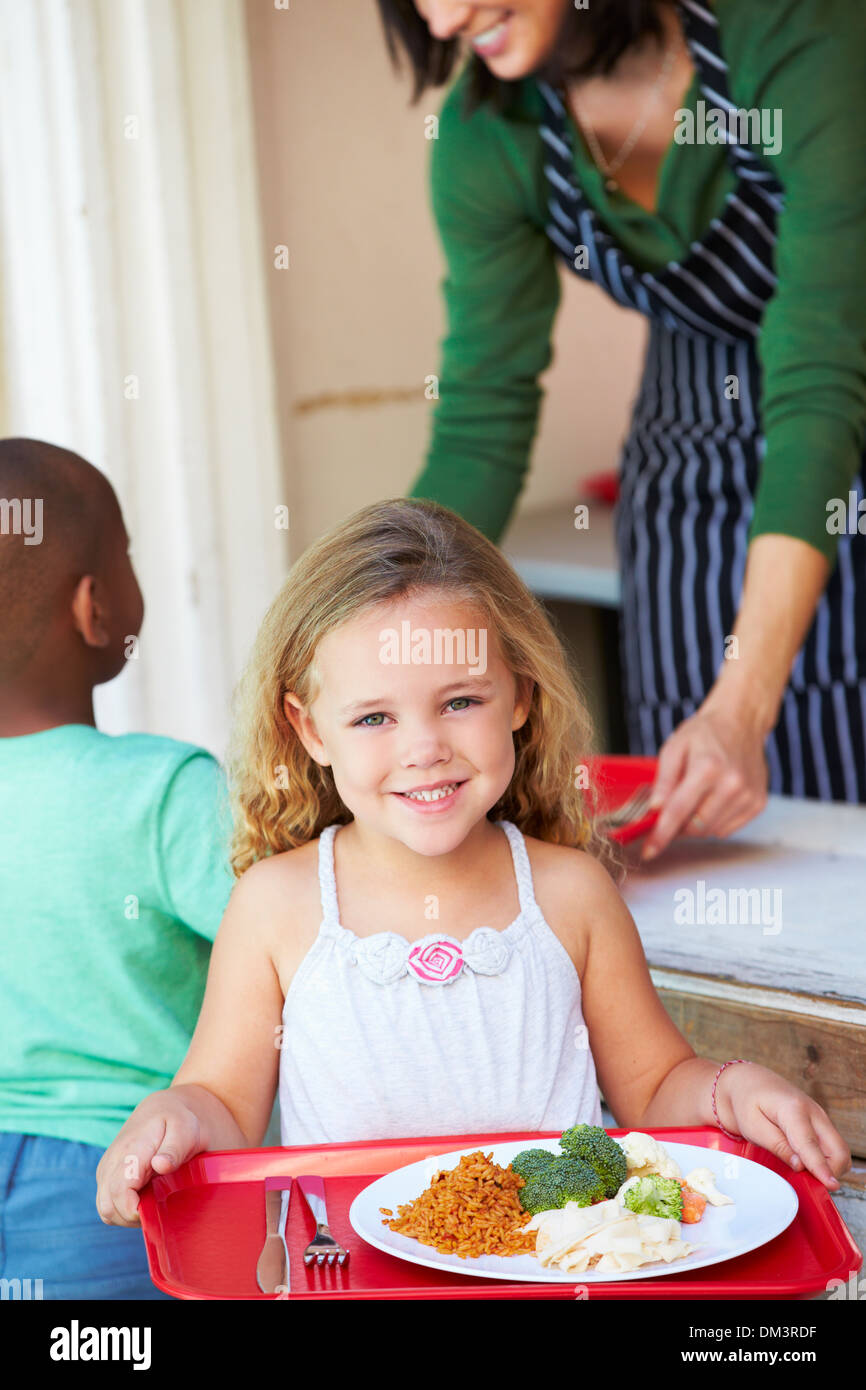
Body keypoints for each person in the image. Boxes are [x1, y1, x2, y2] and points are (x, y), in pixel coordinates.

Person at [95, 498, 849, 1233]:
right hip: (354, 1290)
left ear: (520, 694)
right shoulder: (277, 906)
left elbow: (653, 1087)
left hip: (556, 1276)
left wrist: (731, 1087)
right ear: (309, 729)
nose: (424, 747)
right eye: (373, 718)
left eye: (459, 701)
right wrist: (171, 1116)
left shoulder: (570, 894)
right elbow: (221, 1103)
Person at [375, 0, 866, 859]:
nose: (447, 18)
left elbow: (824, 364)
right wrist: (359, 622)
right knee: (708, 815)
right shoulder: (489, 134)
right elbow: (484, 416)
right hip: (694, 444)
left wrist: (743, 704)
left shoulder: (795, 35)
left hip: (834, 379)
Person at [0, 438, 234, 1299]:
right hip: (118, 1182)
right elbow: (304, 945)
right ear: (96, 606)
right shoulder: (165, 792)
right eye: (127, 556)